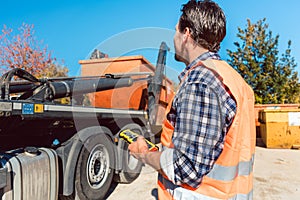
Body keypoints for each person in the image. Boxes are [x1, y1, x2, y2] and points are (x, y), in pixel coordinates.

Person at [128, 0, 255, 199]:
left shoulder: (201, 82)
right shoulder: (235, 80)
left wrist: (143, 153)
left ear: (186, 34)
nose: (174, 37)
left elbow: (184, 168)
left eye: (176, 30)